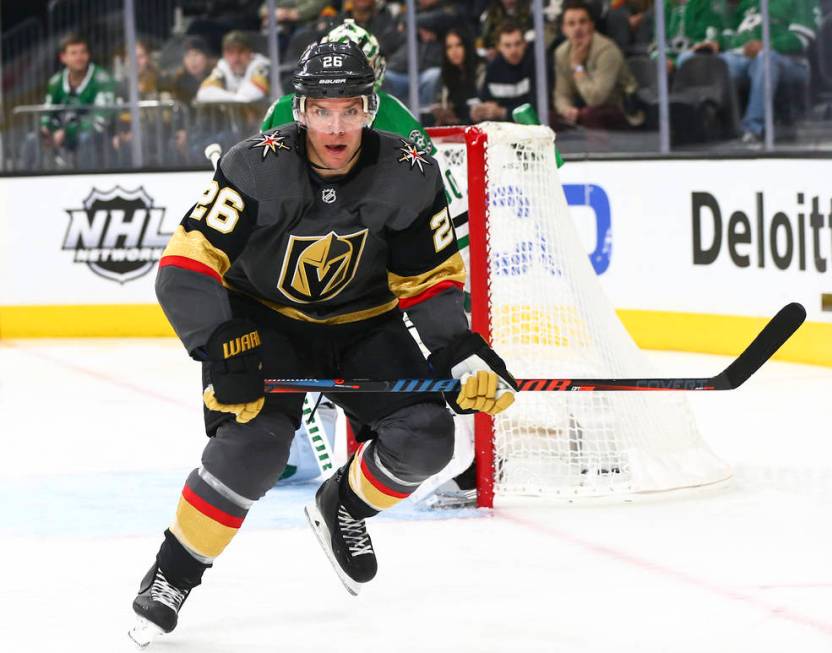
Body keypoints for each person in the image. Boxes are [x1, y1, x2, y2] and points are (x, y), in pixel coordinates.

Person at [128, 40, 516, 646]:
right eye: (322, 110)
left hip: (365, 320)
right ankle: (171, 576)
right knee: (254, 444)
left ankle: (344, 507)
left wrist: (460, 352)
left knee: (427, 437)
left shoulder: (410, 169)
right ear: (300, 110)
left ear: (371, 107)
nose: (337, 127)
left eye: (351, 110)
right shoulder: (254, 165)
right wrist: (221, 344)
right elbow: (183, 269)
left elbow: (430, 280)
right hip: (265, 318)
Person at [261, 19, 469, 486]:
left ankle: (450, 458)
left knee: (413, 349)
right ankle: (294, 449)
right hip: (308, 257)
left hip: (378, 261)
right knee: (293, 342)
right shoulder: (286, 110)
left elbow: (424, 189)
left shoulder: (394, 114)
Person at [717, 0, 818, 144]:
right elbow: (730, 34)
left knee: (765, 58)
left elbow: (801, 39)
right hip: (742, 56)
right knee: (710, 61)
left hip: (789, 61)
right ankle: (712, 128)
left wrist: (767, 45)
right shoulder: (750, 2)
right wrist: (714, 42)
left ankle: (754, 128)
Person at [19, 33, 115, 170]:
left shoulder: (102, 79)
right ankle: (25, 183)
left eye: (83, 52)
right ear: (63, 57)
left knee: (85, 138)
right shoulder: (56, 81)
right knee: (32, 139)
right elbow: (47, 112)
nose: (79, 57)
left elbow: (101, 119)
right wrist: (47, 129)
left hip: (95, 135)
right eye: (73, 53)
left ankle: (87, 181)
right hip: (64, 133)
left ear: (88, 55)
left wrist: (67, 132)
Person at [553, 0, 642, 130]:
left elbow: (596, 99)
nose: (577, 28)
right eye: (571, 24)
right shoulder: (561, 52)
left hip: (620, 110)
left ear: (592, 25)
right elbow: (561, 94)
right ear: (564, 29)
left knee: (591, 114)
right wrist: (567, 109)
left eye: (582, 22)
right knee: (549, 117)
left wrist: (577, 66)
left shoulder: (607, 50)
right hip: (584, 108)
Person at [471, 20, 535, 123]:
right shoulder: (493, 70)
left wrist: (503, 112)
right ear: (499, 47)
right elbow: (485, 100)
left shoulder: (535, 64)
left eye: (517, 44)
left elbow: (538, 106)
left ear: (525, 44)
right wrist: (480, 111)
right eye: (507, 45)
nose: (513, 50)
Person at [196, 30, 271, 104]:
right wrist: (236, 98)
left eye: (241, 52)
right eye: (230, 52)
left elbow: (251, 96)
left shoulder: (261, 66)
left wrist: (226, 97)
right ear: (224, 55)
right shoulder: (223, 68)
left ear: (250, 52)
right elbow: (204, 93)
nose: (236, 58)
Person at [435, 28, 484, 125]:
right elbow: (443, 103)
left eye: (459, 45)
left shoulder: (482, 69)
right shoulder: (446, 74)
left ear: (467, 46)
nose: (454, 51)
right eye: (449, 47)